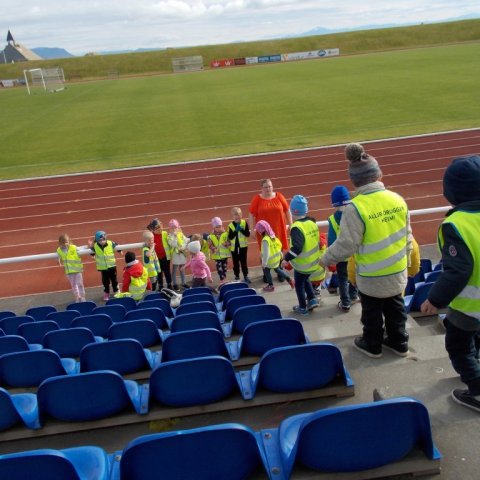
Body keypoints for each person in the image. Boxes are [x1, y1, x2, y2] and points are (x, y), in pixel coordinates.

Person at [320, 143, 412, 358]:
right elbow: (408, 236)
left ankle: (372, 344)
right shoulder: (398, 199)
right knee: (396, 308)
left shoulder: (356, 208)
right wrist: (407, 261)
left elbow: (346, 245)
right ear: (378, 174)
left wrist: (325, 259)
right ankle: (399, 342)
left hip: (372, 276)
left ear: (354, 180)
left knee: (372, 313)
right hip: (398, 270)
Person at [420, 155, 480, 412]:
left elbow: (458, 270)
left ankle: (477, 390)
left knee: (458, 346)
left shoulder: (455, 225)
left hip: (470, 305)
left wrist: (435, 299)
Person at [281, 195, 320, 315]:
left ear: (293, 211)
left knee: (299, 285)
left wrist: (286, 258)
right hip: (314, 262)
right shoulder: (312, 223)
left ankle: (302, 307)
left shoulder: (296, 228)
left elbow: (297, 248)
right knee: (305, 279)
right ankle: (312, 299)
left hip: (303, 265)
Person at [327, 185, 359, 312]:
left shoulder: (332, 219)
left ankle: (345, 302)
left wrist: (332, 256)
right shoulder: (355, 215)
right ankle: (354, 295)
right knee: (353, 274)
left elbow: (331, 240)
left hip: (341, 255)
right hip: (354, 254)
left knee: (342, 278)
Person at [249, 178, 292, 252]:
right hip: (264, 232)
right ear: (262, 188)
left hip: (278, 229)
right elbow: (251, 215)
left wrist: (291, 224)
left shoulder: (279, 196)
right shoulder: (257, 199)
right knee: (266, 251)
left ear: (272, 187)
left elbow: (287, 210)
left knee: (279, 250)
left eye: (269, 186)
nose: (268, 189)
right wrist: (252, 230)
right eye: (265, 187)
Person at [256, 220, 294, 292]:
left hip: (269, 261)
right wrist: (281, 256)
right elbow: (279, 247)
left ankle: (270, 285)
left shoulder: (265, 240)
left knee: (266, 271)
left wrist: (264, 263)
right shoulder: (274, 237)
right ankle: (289, 279)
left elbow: (266, 253)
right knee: (277, 269)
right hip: (276, 259)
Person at [88, 230, 120, 301]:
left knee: (114, 280)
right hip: (103, 268)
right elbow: (92, 253)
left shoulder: (110, 243)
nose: (102, 241)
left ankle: (116, 291)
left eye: (104, 239)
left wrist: (120, 251)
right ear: (97, 240)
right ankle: (106, 292)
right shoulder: (95, 246)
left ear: (106, 238)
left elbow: (117, 245)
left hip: (112, 266)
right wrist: (90, 245)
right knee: (105, 282)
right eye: (100, 240)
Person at [57, 233, 86, 303]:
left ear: (69, 241)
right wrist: (58, 261)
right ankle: (77, 297)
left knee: (80, 284)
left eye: (66, 242)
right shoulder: (59, 250)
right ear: (60, 243)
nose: (65, 244)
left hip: (77, 269)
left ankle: (82, 297)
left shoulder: (73, 247)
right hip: (69, 271)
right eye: (63, 243)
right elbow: (58, 256)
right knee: (73, 285)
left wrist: (87, 246)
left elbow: (80, 248)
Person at [147, 218, 173, 290]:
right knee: (159, 272)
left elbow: (170, 241)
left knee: (167, 271)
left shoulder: (165, 234)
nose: (159, 230)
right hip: (156, 258)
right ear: (153, 230)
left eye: (160, 227)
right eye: (157, 229)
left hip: (165, 257)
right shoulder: (151, 236)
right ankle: (160, 285)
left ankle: (169, 284)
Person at [228, 207, 251, 283]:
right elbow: (230, 237)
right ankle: (237, 276)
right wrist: (235, 231)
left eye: (238, 215)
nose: (236, 216)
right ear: (232, 216)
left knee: (243, 262)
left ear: (241, 215)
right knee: (235, 263)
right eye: (234, 215)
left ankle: (245, 275)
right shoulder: (230, 225)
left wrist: (241, 230)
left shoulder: (244, 223)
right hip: (234, 248)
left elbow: (247, 234)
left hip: (243, 247)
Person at [167, 218, 189, 291]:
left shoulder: (181, 234)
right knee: (174, 271)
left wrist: (182, 247)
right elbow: (173, 244)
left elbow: (185, 241)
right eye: (172, 228)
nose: (174, 229)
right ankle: (175, 284)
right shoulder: (169, 236)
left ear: (178, 227)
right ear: (170, 228)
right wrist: (175, 237)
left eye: (175, 227)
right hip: (175, 256)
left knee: (182, 270)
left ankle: (184, 283)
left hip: (182, 254)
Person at [208, 217, 230, 283]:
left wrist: (226, 243)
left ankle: (224, 278)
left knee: (224, 267)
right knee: (219, 267)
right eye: (216, 227)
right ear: (214, 228)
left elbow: (229, 242)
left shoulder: (225, 234)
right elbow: (210, 244)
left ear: (222, 226)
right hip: (217, 256)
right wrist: (214, 249)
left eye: (219, 226)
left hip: (224, 255)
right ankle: (222, 279)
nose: (218, 228)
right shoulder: (211, 236)